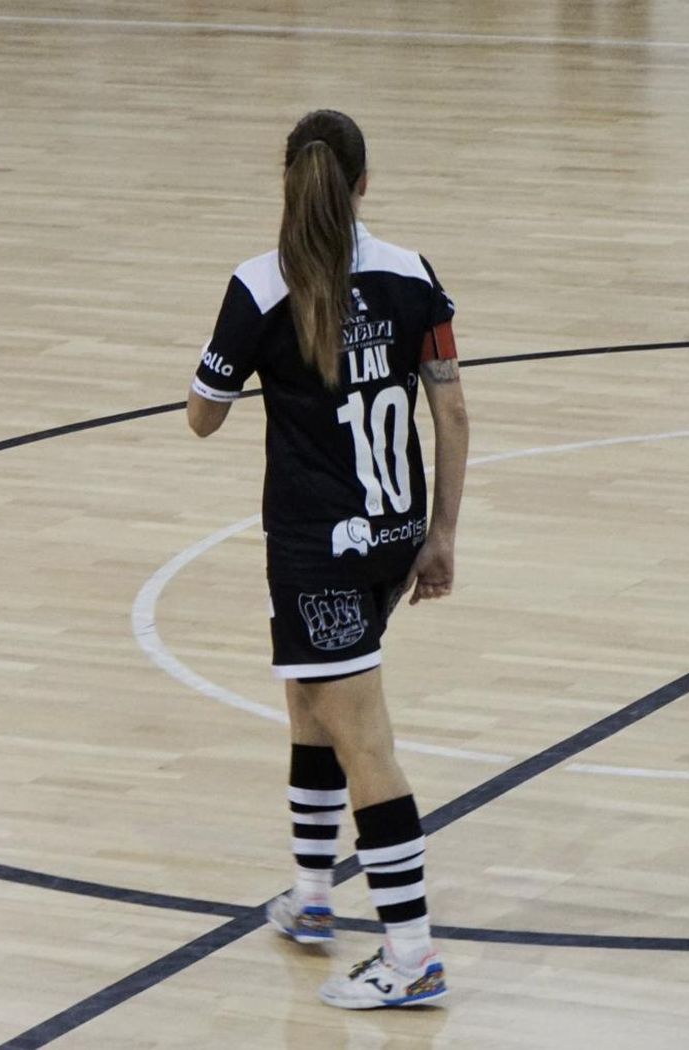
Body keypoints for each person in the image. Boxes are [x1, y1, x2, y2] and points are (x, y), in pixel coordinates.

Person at [184, 109, 469, 1010]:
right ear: (364, 181)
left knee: (364, 743)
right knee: (311, 701)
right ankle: (311, 898)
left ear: (288, 181)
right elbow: (452, 416)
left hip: (320, 549)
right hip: (391, 537)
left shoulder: (261, 284)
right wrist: (441, 536)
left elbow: (203, 412)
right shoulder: (413, 273)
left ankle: (412, 954)